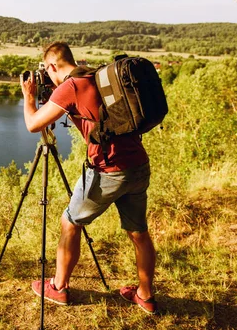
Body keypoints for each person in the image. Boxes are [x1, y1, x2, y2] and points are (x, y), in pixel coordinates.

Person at [20, 41, 157, 314]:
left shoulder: (70, 87)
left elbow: (33, 124)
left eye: (46, 72)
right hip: (138, 165)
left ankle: (58, 288)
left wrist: (28, 97)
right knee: (139, 232)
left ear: (51, 66)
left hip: (108, 169)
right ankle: (145, 295)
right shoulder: (96, 76)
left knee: (69, 223)